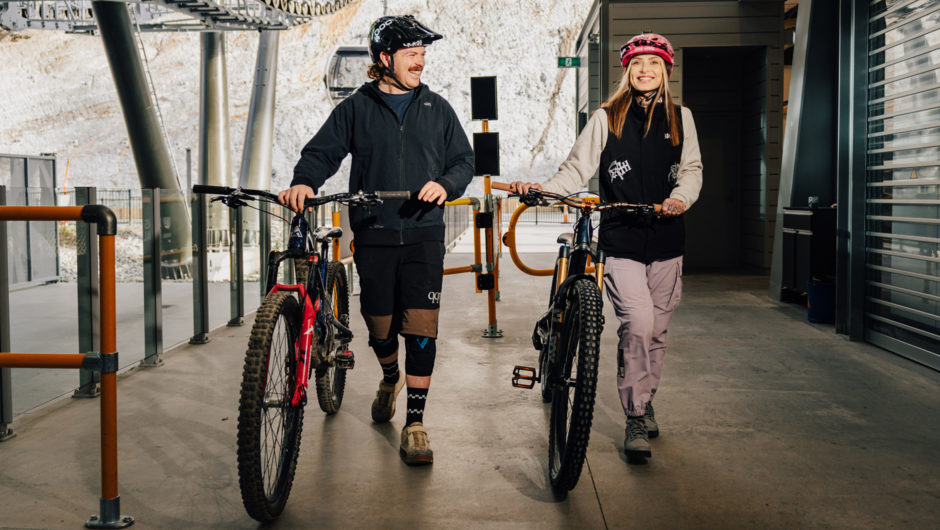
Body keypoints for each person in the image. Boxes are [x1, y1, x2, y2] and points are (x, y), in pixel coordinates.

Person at [279, 15, 474, 465]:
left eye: (423, 54)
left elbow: (463, 161)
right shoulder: (356, 108)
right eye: (412, 54)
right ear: (385, 58)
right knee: (380, 326)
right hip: (373, 233)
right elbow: (321, 152)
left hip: (425, 233)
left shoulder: (437, 108)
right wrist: (304, 182)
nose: (421, 62)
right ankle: (390, 377)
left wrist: (446, 184)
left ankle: (416, 425)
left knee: (422, 328)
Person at [511, 33, 702, 461]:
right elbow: (576, 169)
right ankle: (636, 415)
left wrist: (679, 198)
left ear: (666, 71)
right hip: (621, 238)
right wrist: (544, 189)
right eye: (638, 64)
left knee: (657, 331)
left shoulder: (681, 117)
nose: (645, 71)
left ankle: (644, 398)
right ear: (627, 70)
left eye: (653, 64)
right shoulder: (606, 117)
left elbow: (691, 169)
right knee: (637, 322)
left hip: (668, 239)